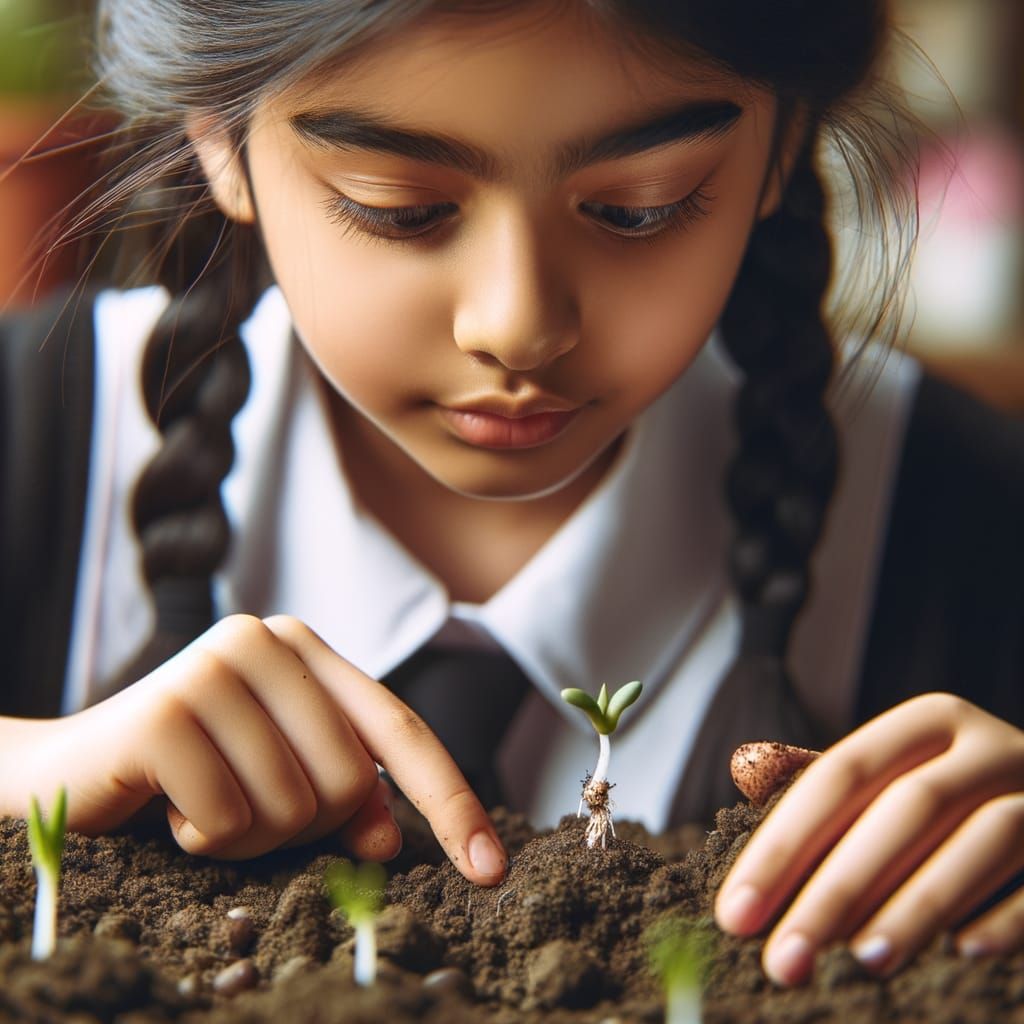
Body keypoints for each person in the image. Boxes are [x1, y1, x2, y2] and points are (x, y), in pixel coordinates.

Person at [1, 0, 1021, 991]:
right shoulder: (30, 434)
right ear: (220, 138)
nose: (519, 325)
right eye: (399, 208)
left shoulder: (968, 520)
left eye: (641, 206)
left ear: (786, 137)